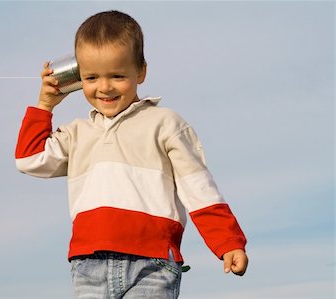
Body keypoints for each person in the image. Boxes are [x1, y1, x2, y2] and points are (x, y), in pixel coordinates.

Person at [15, 10, 248, 299]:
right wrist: (45, 104)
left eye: (117, 75)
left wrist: (227, 242)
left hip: (153, 264)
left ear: (141, 71)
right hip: (88, 265)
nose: (104, 87)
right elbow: (29, 159)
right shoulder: (76, 134)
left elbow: (198, 188)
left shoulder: (165, 124)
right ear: (76, 77)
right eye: (91, 77)